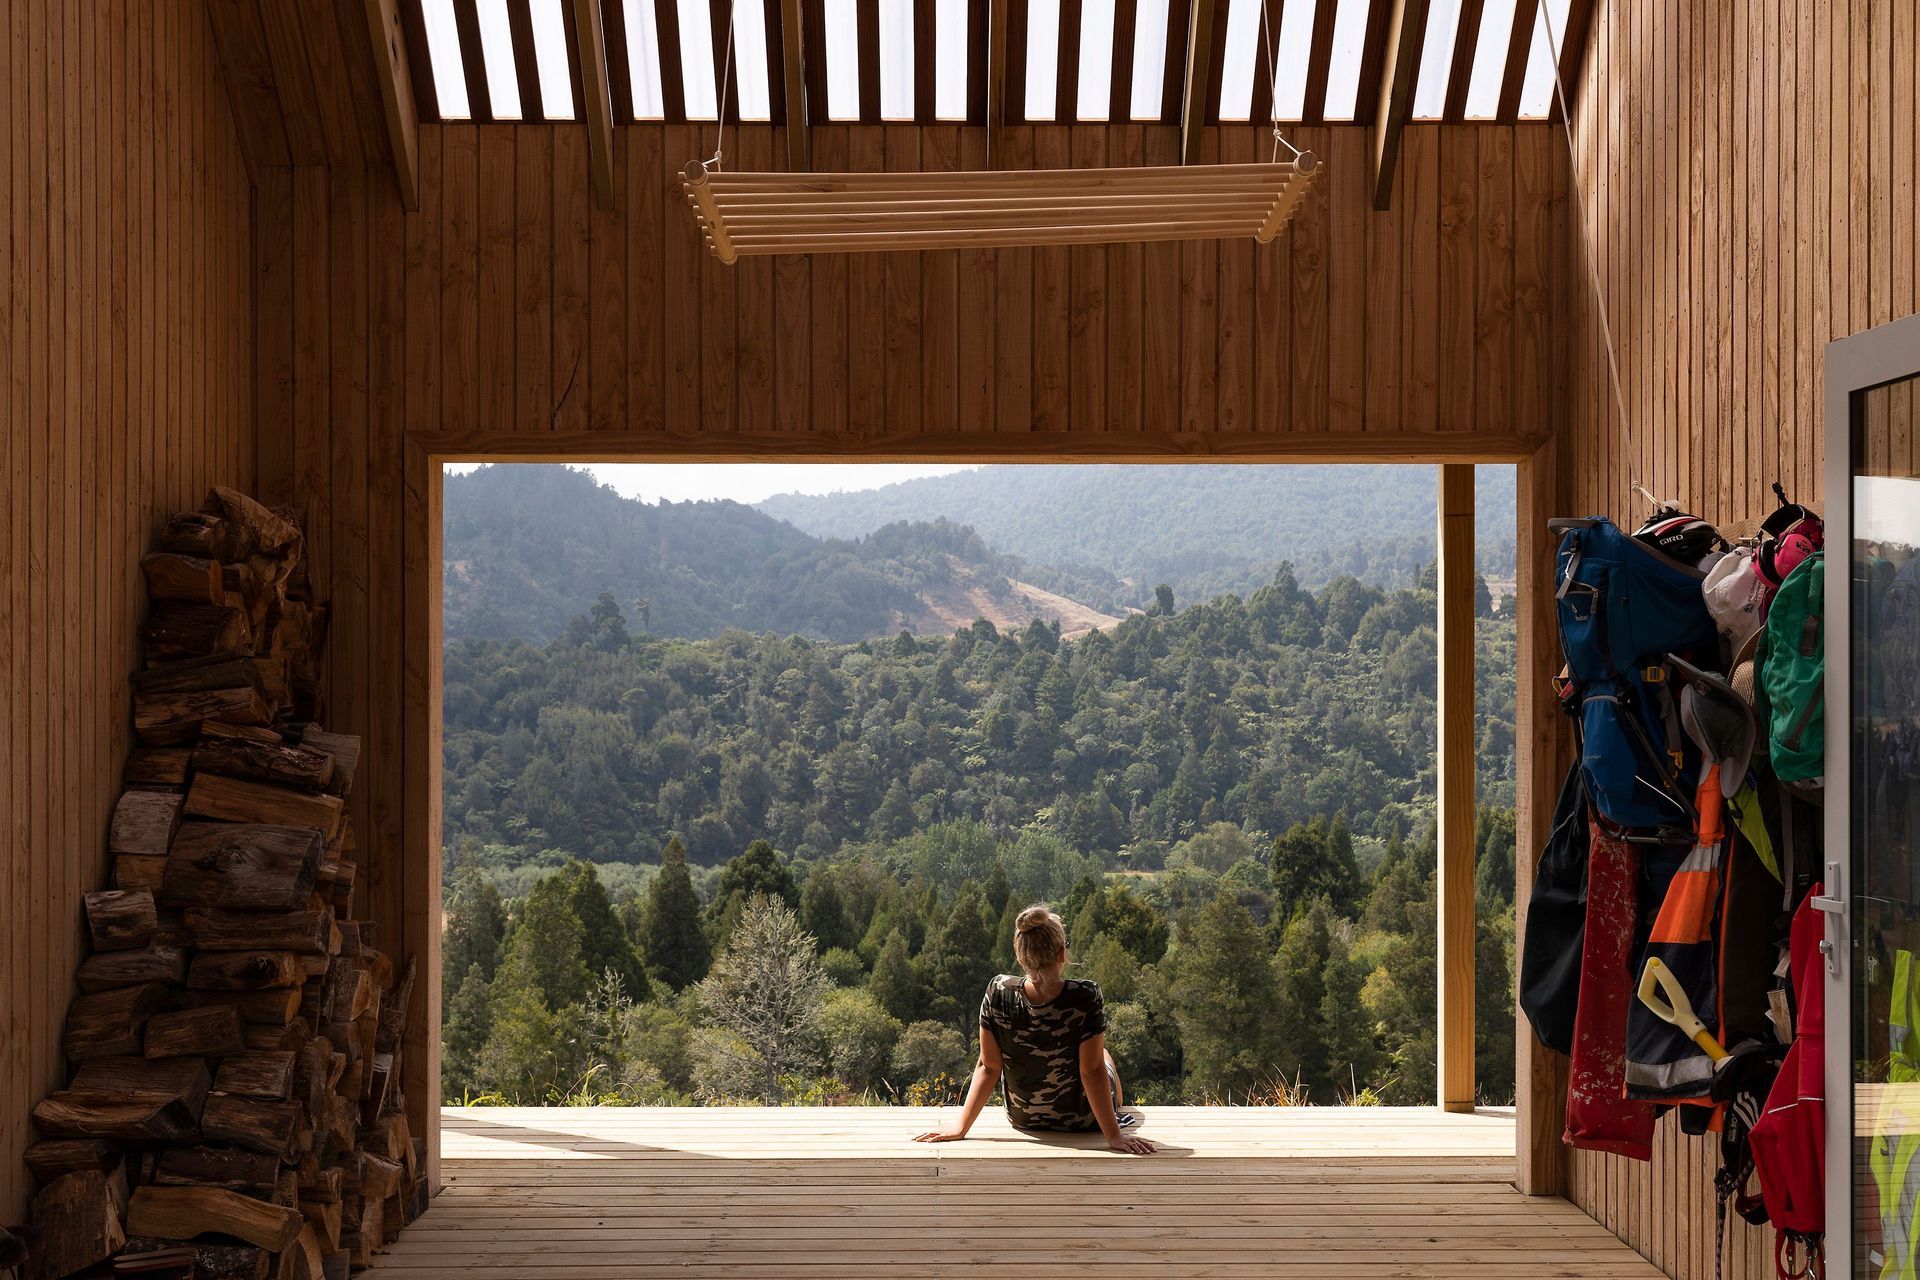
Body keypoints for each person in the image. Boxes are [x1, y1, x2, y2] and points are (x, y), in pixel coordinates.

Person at [914, 904, 1155, 1155]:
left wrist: (960, 1128)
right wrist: (1114, 1136)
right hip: (1082, 1119)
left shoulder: (998, 991)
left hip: (1023, 1117)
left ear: (1021, 956)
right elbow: (1091, 1070)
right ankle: (1117, 1106)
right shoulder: (1085, 995)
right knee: (1103, 1055)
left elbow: (988, 1067)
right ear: (1061, 953)